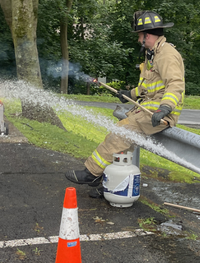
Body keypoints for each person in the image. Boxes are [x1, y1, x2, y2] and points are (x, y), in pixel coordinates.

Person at [65, 11, 185, 186]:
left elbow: (175, 84)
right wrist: (130, 95)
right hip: (148, 109)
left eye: (139, 36)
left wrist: (165, 108)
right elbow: (148, 87)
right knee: (124, 146)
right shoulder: (153, 54)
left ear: (148, 36)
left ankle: (91, 172)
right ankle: (110, 182)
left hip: (160, 113)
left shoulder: (167, 54)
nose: (138, 40)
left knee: (121, 131)